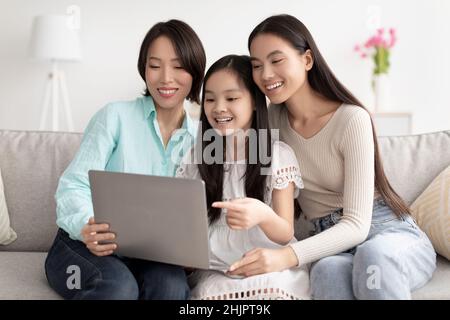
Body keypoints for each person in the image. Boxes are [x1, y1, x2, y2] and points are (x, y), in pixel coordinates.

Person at [224, 14, 437, 300]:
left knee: (373, 256)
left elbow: (357, 225)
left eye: (276, 61)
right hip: (329, 241)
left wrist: (286, 256)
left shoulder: (352, 120)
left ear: (307, 60)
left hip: (386, 234)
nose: (265, 75)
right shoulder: (271, 122)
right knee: (326, 271)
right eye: (257, 65)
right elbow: (228, 150)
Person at [44, 19, 206, 300]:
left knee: (172, 289)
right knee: (119, 288)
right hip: (81, 245)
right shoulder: (114, 117)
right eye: (155, 66)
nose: (166, 78)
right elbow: (73, 185)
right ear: (144, 69)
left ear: (195, 71)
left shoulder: (202, 139)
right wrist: (87, 226)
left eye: (178, 66)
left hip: (151, 254)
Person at [176, 55, 310, 300]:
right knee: (207, 293)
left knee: (274, 291)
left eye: (232, 98)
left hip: (267, 262)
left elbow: (284, 231)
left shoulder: (277, 155)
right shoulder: (197, 156)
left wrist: (262, 214)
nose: (218, 108)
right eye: (210, 99)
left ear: (255, 103)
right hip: (218, 267)